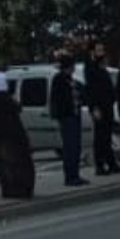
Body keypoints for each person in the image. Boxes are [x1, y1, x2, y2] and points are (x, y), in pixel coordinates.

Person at [0, 71, 35, 199]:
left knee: (1, 164)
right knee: (15, 162)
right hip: (10, 136)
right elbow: (17, 110)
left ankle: (7, 188)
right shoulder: (6, 100)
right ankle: (19, 188)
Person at [50, 54, 89, 187]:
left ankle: (75, 174)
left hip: (75, 114)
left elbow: (79, 93)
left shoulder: (71, 79)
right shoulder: (59, 79)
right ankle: (70, 176)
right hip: (67, 116)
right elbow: (57, 99)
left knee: (76, 147)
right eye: (72, 66)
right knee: (70, 147)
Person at [86, 43, 120, 176]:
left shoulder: (101, 66)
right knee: (100, 137)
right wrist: (94, 107)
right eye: (99, 50)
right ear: (92, 52)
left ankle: (111, 163)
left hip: (107, 106)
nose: (102, 53)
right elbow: (91, 90)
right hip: (99, 107)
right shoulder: (90, 67)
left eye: (102, 50)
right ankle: (100, 165)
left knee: (107, 136)